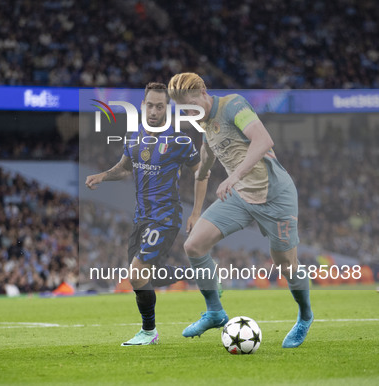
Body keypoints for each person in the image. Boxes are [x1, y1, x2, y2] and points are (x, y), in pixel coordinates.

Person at [167, 72, 313, 348]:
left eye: (190, 106)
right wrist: (197, 211)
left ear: (203, 92)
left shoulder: (233, 105)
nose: (189, 112)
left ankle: (305, 316)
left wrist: (233, 177)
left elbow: (263, 141)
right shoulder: (205, 126)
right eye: (184, 110)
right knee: (194, 245)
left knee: (286, 264)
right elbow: (202, 171)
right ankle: (215, 312)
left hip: (275, 196)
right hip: (240, 197)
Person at [85, 82, 203, 346]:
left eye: (159, 106)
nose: (153, 111)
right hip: (141, 218)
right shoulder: (134, 137)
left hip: (165, 216)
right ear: (142, 106)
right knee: (142, 277)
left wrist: (196, 211)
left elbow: (200, 171)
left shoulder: (179, 140)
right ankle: (195, 273)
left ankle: (149, 332)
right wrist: (103, 175)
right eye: (150, 105)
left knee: (137, 274)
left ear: (166, 109)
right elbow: (126, 168)